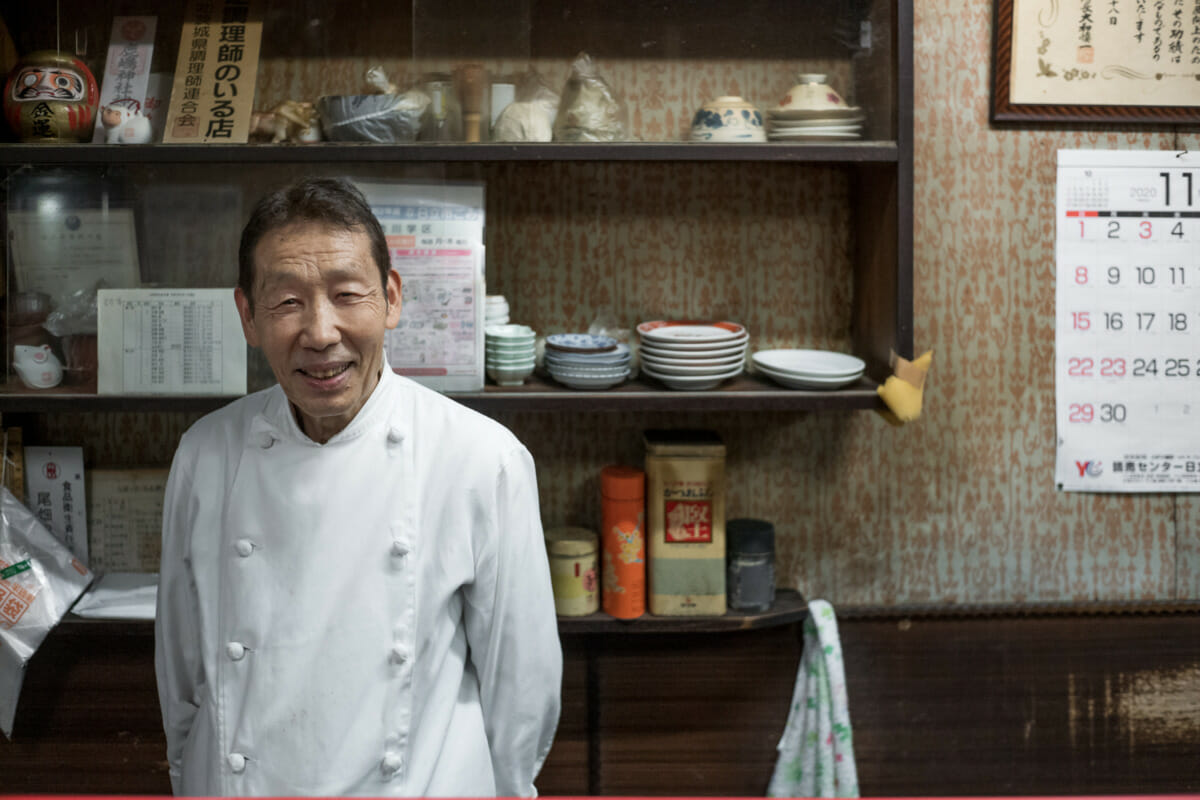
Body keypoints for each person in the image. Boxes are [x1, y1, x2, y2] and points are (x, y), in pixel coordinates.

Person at [155, 176, 562, 797]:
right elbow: (182, 666)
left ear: (392, 298)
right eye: (287, 302)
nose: (320, 333)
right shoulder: (206, 453)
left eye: (347, 294)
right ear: (248, 316)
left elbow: (522, 686)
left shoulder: (481, 458)